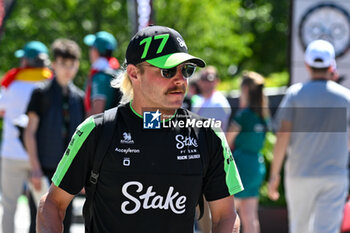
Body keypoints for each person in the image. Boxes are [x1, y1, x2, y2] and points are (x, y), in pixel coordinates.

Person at [37, 25, 243, 233]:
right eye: (168, 70)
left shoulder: (207, 135)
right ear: (134, 73)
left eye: (186, 70)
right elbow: (52, 205)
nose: (180, 79)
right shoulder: (96, 130)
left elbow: (225, 216)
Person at [268, 39, 350, 233]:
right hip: (334, 174)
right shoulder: (345, 97)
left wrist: (274, 175)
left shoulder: (295, 95)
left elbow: (283, 136)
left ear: (307, 64)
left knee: (300, 228)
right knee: (327, 230)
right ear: (331, 65)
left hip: (299, 174)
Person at [24, 38, 85, 233]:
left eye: (72, 64)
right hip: (43, 170)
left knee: (64, 225)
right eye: (63, 63)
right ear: (54, 63)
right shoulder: (41, 92)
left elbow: (81, 139)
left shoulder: (79, 97)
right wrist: (34, 169)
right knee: (38, 223)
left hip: (67, 173)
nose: (68, 69)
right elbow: (29, 132)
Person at [0, 40, 52, 233]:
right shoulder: (48, 87)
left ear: (26, 61)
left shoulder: (12, 86)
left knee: (9, 207)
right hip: (37, 157)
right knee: (43, 208)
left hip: (11, 154)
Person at [225, 71, 269, 233]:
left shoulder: (243, 116)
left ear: (244, 89)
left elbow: (226, 142)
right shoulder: (263, 116)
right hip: (257, 165)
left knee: (229, 215)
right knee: (250, 217)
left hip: (240, 166)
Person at [84, 31, 121, 116]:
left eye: (92, 47)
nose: (90, 51)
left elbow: (96, 114)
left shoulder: (100, 77)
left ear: (97, 51)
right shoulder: (114, 71)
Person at [191, 66, 232, 132]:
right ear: (199, 81)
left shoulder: (218, 103)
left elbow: (213, 133)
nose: (206, 83)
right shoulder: (199, 100)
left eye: (210, 79)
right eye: (203, 78)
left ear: (217, 81)